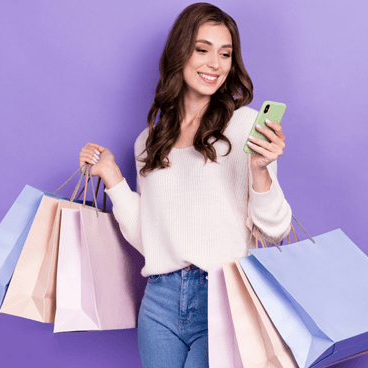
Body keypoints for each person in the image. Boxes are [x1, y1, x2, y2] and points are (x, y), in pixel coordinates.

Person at [78, 3, 292, 367]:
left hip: (224, 297)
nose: (215, 64)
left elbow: (275, 233)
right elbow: (150, 238)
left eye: (225, 54)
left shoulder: (245, 126)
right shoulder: (148, 141)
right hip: (159, 301)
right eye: (202, 49)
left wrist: (260, 169)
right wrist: (112, 176)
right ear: (180, 52)